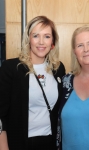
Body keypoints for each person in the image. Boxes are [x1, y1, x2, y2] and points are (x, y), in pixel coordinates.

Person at [0, 16, 65, 150]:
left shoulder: (58, 69)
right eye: (36, 36)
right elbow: (1, 115)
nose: (41, 42)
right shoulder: (11, 68)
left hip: (51, 142)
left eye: (47, 36)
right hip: (20, 143)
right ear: (28, 39)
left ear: (53, 41)